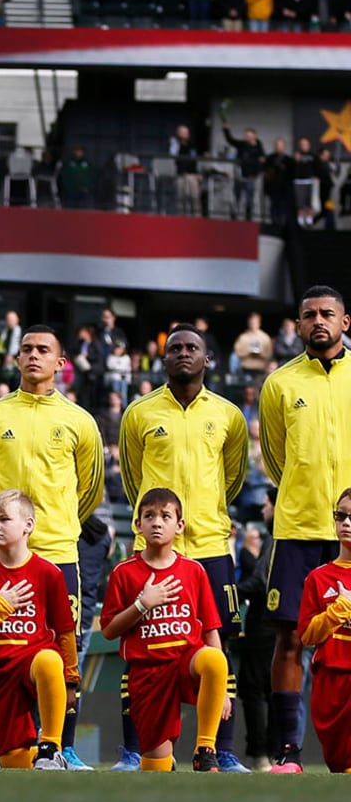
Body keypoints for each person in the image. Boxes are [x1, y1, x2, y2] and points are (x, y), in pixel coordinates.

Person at [0, 326, 104, 769]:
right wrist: (5, 527)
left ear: (61, 363)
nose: (33, 356)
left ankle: (62, 744)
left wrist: (52, 526)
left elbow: (91, 490)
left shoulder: (80, 421)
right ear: (16, 358)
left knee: (66, 648)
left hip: (59, 552)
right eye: (26, 349)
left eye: (44, 350)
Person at [118, 326, 249, 772]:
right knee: (142, 646)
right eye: (175, 348)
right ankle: (140, 749)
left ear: (207, 358)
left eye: (192, 347)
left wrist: (203, 515)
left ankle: (218, 749)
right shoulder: (139, 413)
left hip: (210, 544)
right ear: (163, 358)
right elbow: (134, 480)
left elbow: (232, 477)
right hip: (153, 550)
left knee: (219, 643)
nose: (183, 354)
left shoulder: (229, 414)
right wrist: (160, 525)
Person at [259, 285, 351, 772]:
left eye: (328, 314)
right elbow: (276, 458)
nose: (319, 321)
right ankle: (288, 751)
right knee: (291, 639)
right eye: (309, 315)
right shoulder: (279, 384)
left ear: (345, 322)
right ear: (298, 325)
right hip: (297, 526)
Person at [99, 488, 232, 772]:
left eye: (165, 516)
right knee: (155, 767)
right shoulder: (124, 572)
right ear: (138, 525)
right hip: (148, 673)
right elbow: (109, 630)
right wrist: (142, 604)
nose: (157, 522)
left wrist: (223, 691)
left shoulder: (194, 571)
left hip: (186, 662)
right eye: (149, 516)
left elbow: (210, 630)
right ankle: (163, 760)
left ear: (179, 525)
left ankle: (205, 750)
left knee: (214, 659)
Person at [0, 490, 78, 769]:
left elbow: (65, 631)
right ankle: (42, 758)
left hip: (32, 661)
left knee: (48, 659)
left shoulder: (48, 572)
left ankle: (51, 745)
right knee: (14, 763)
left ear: (28, 525)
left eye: (4, 519)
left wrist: (71, 679)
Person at [296, 487, 351, 773]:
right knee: (339, 764)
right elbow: (307, 635)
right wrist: (340, 608)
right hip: (331, 681)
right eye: (341, 516)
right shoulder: (319, 578)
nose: (346, 523)